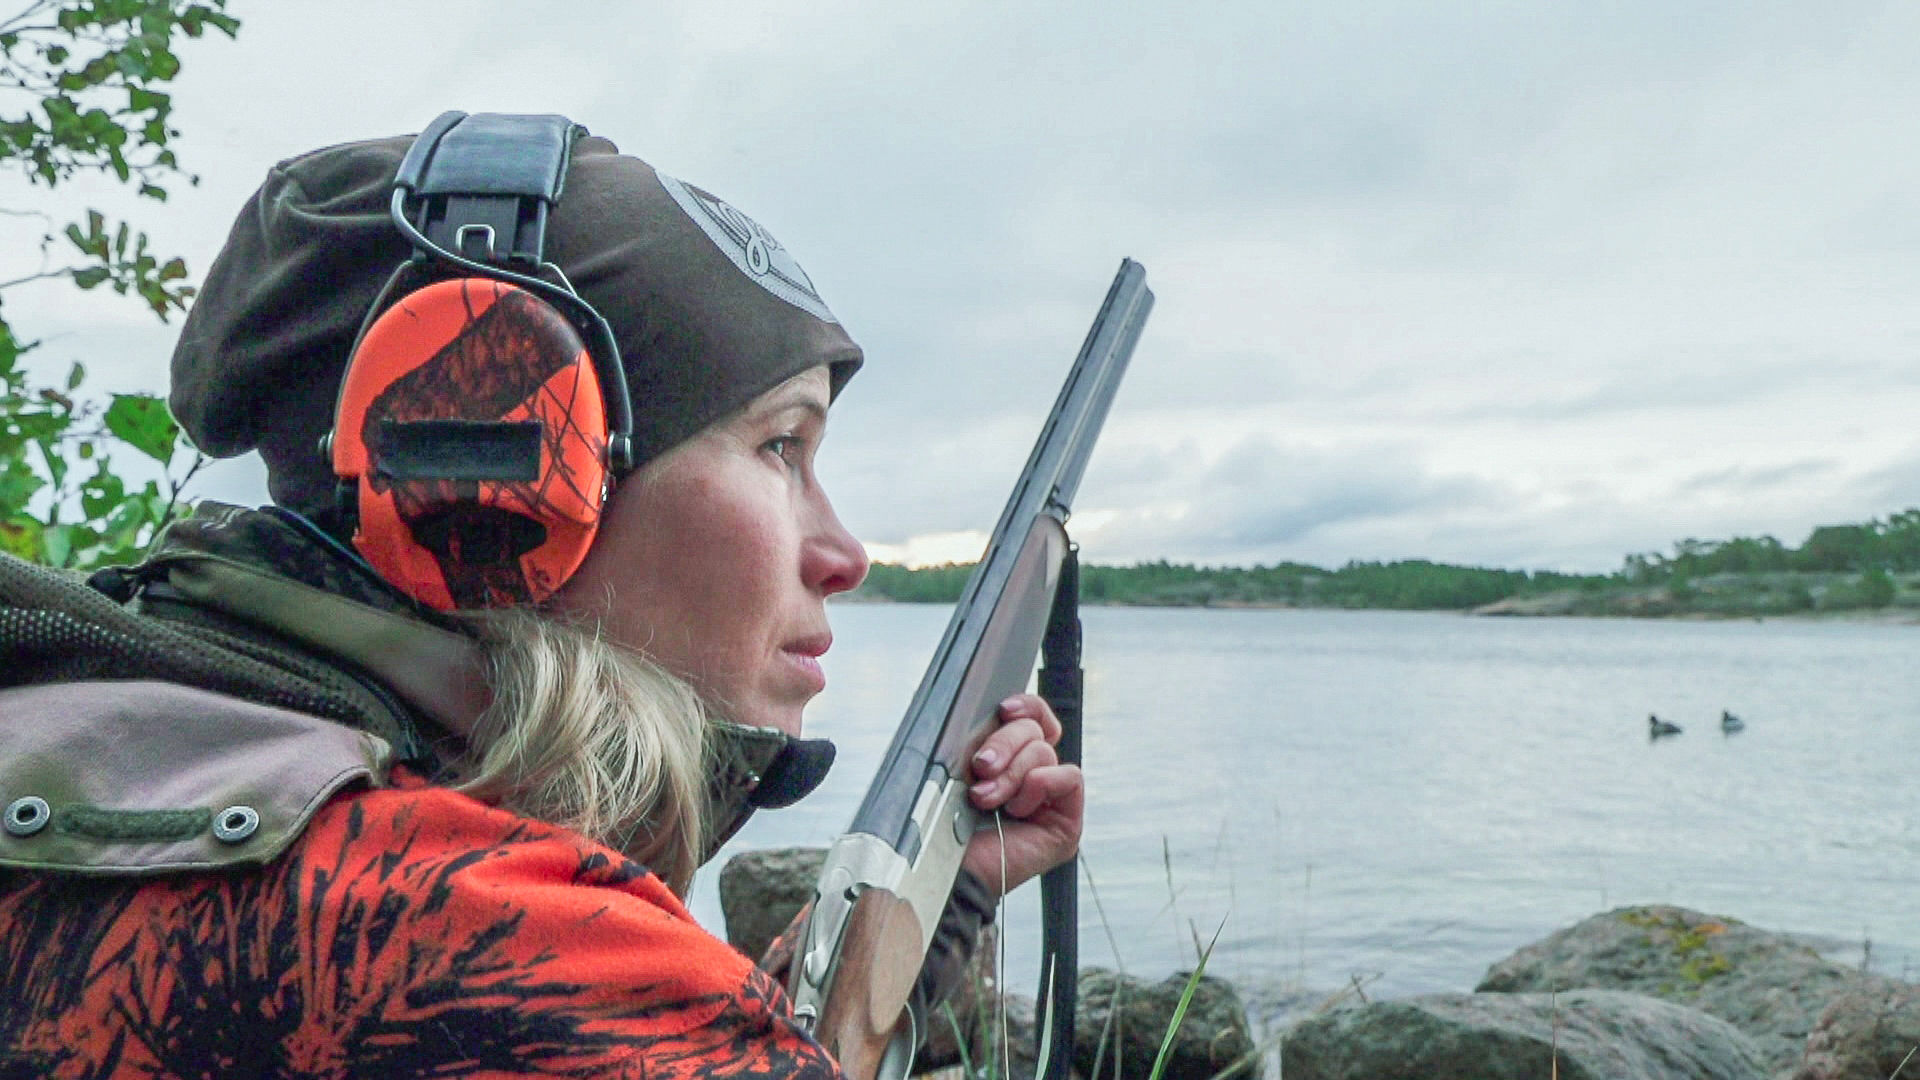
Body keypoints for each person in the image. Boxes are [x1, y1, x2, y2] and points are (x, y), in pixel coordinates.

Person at [0, 115, 1082, 1078]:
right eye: (781, 446)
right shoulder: (494, 941)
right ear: (500, 479)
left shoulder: (97, 742)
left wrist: (944, 887)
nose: (844, 553)